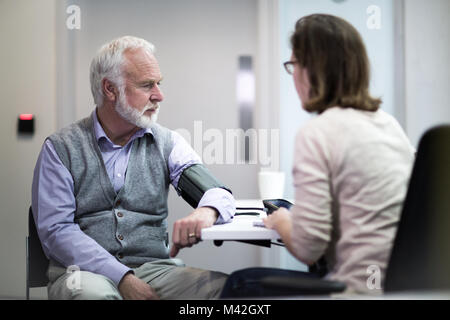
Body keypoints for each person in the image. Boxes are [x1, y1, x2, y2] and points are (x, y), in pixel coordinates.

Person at [221, 14, 415, 297]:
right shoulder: (389, 124)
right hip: (404, 289)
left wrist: (282, 219)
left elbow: (308, 248)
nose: (293, 76)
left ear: (312, 69)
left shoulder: (318, 132)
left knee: (241, 284)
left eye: (293, 65)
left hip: (356, 291)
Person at [31, 36, 235, 300]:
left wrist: (207, 212)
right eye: (146, 85)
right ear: (110, 89)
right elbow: (57, 232)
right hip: (81, 274)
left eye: (159, 84)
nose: (159, 96)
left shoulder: (168, 143)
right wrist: (122, 276)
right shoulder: (60, 148)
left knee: (226, 290)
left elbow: (218, 192)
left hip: (155, 271)